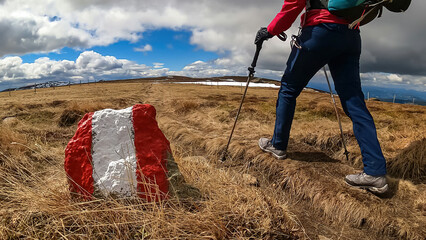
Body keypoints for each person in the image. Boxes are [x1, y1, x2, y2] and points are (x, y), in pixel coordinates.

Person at [256, 0, 388, 194]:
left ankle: (278, 145)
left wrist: (270, 30)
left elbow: (292, 6)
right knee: (354, 101)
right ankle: (375, 172)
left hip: (320, 31)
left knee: (288, 89)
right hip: (351, 35)